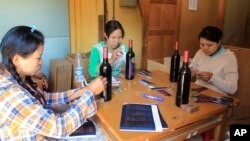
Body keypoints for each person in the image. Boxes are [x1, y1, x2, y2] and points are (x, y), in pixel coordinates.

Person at [0, 26, 107, 140]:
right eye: (38, 58)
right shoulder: (9, 94)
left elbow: (45, 98)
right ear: (16, 60)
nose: (41, 62)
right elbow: (60, 127)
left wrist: (82, 91)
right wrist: (90, 92)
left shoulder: (15, 78)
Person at [189, 26, 238, 95]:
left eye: (209, 45)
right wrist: (189, 72)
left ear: (219, 42)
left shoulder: (229, 57)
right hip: (197, 92)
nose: (205, 48)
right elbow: (191, 68)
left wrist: (213, 78)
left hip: (216, 96)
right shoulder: (200, 52)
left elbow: (233, 89)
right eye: (202, 45)